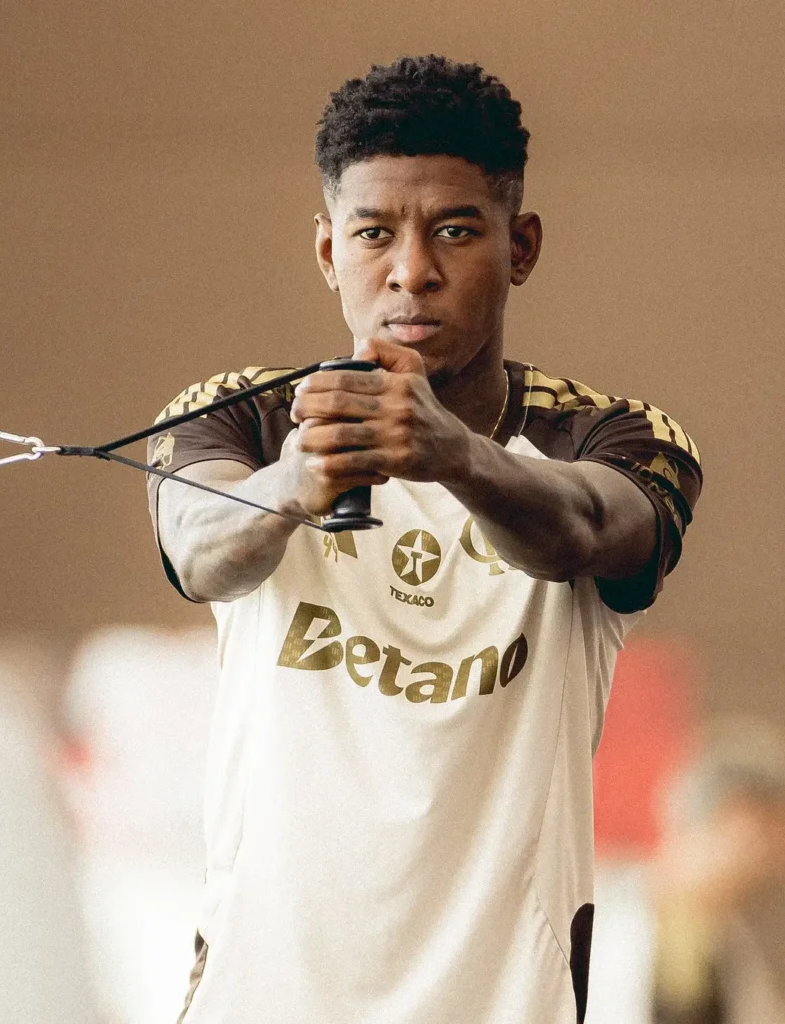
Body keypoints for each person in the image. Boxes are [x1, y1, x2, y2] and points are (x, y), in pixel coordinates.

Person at [147, 55, 702, 1023]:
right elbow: (199, 545)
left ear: (520, 245)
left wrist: (454, 456)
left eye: (454, 230)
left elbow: (586, 528)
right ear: (328, 252)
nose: (411, 271)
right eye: (373, 233)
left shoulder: (614, 436)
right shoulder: (244, 419)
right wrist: (297, 483)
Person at [590, 720, 785, 1024]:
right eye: (766, 832)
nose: (773, 858)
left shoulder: (729, 945)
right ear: (732, 815)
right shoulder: (596, 910)